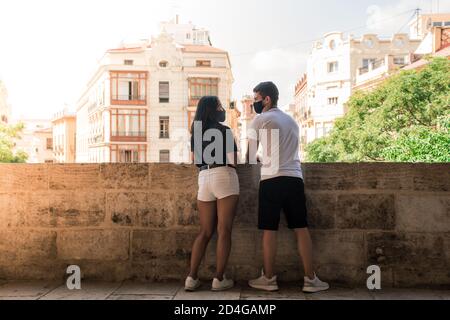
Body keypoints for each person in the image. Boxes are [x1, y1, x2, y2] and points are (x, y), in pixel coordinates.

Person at [247, 82, 329, 293]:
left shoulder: (260, 119)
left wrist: (259, 157)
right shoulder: (292, 121)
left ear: (266, 99)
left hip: (271, 179)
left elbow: (249, 155)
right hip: (294, 178)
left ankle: (268, 278)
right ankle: (310, 279)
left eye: (255, 99)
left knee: (269, 230)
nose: (253, 104)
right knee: (301, 229)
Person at [185, 96, 240, 292]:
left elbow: (194, 161)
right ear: (213, 110)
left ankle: (191, 278)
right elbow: (234, 161)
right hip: (223, 175)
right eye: (219, 106)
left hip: (204, 178)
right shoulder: (224, 130)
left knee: (205, 231)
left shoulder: (196, 133)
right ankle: (219, 279)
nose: (222, 109)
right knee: (224, 230)